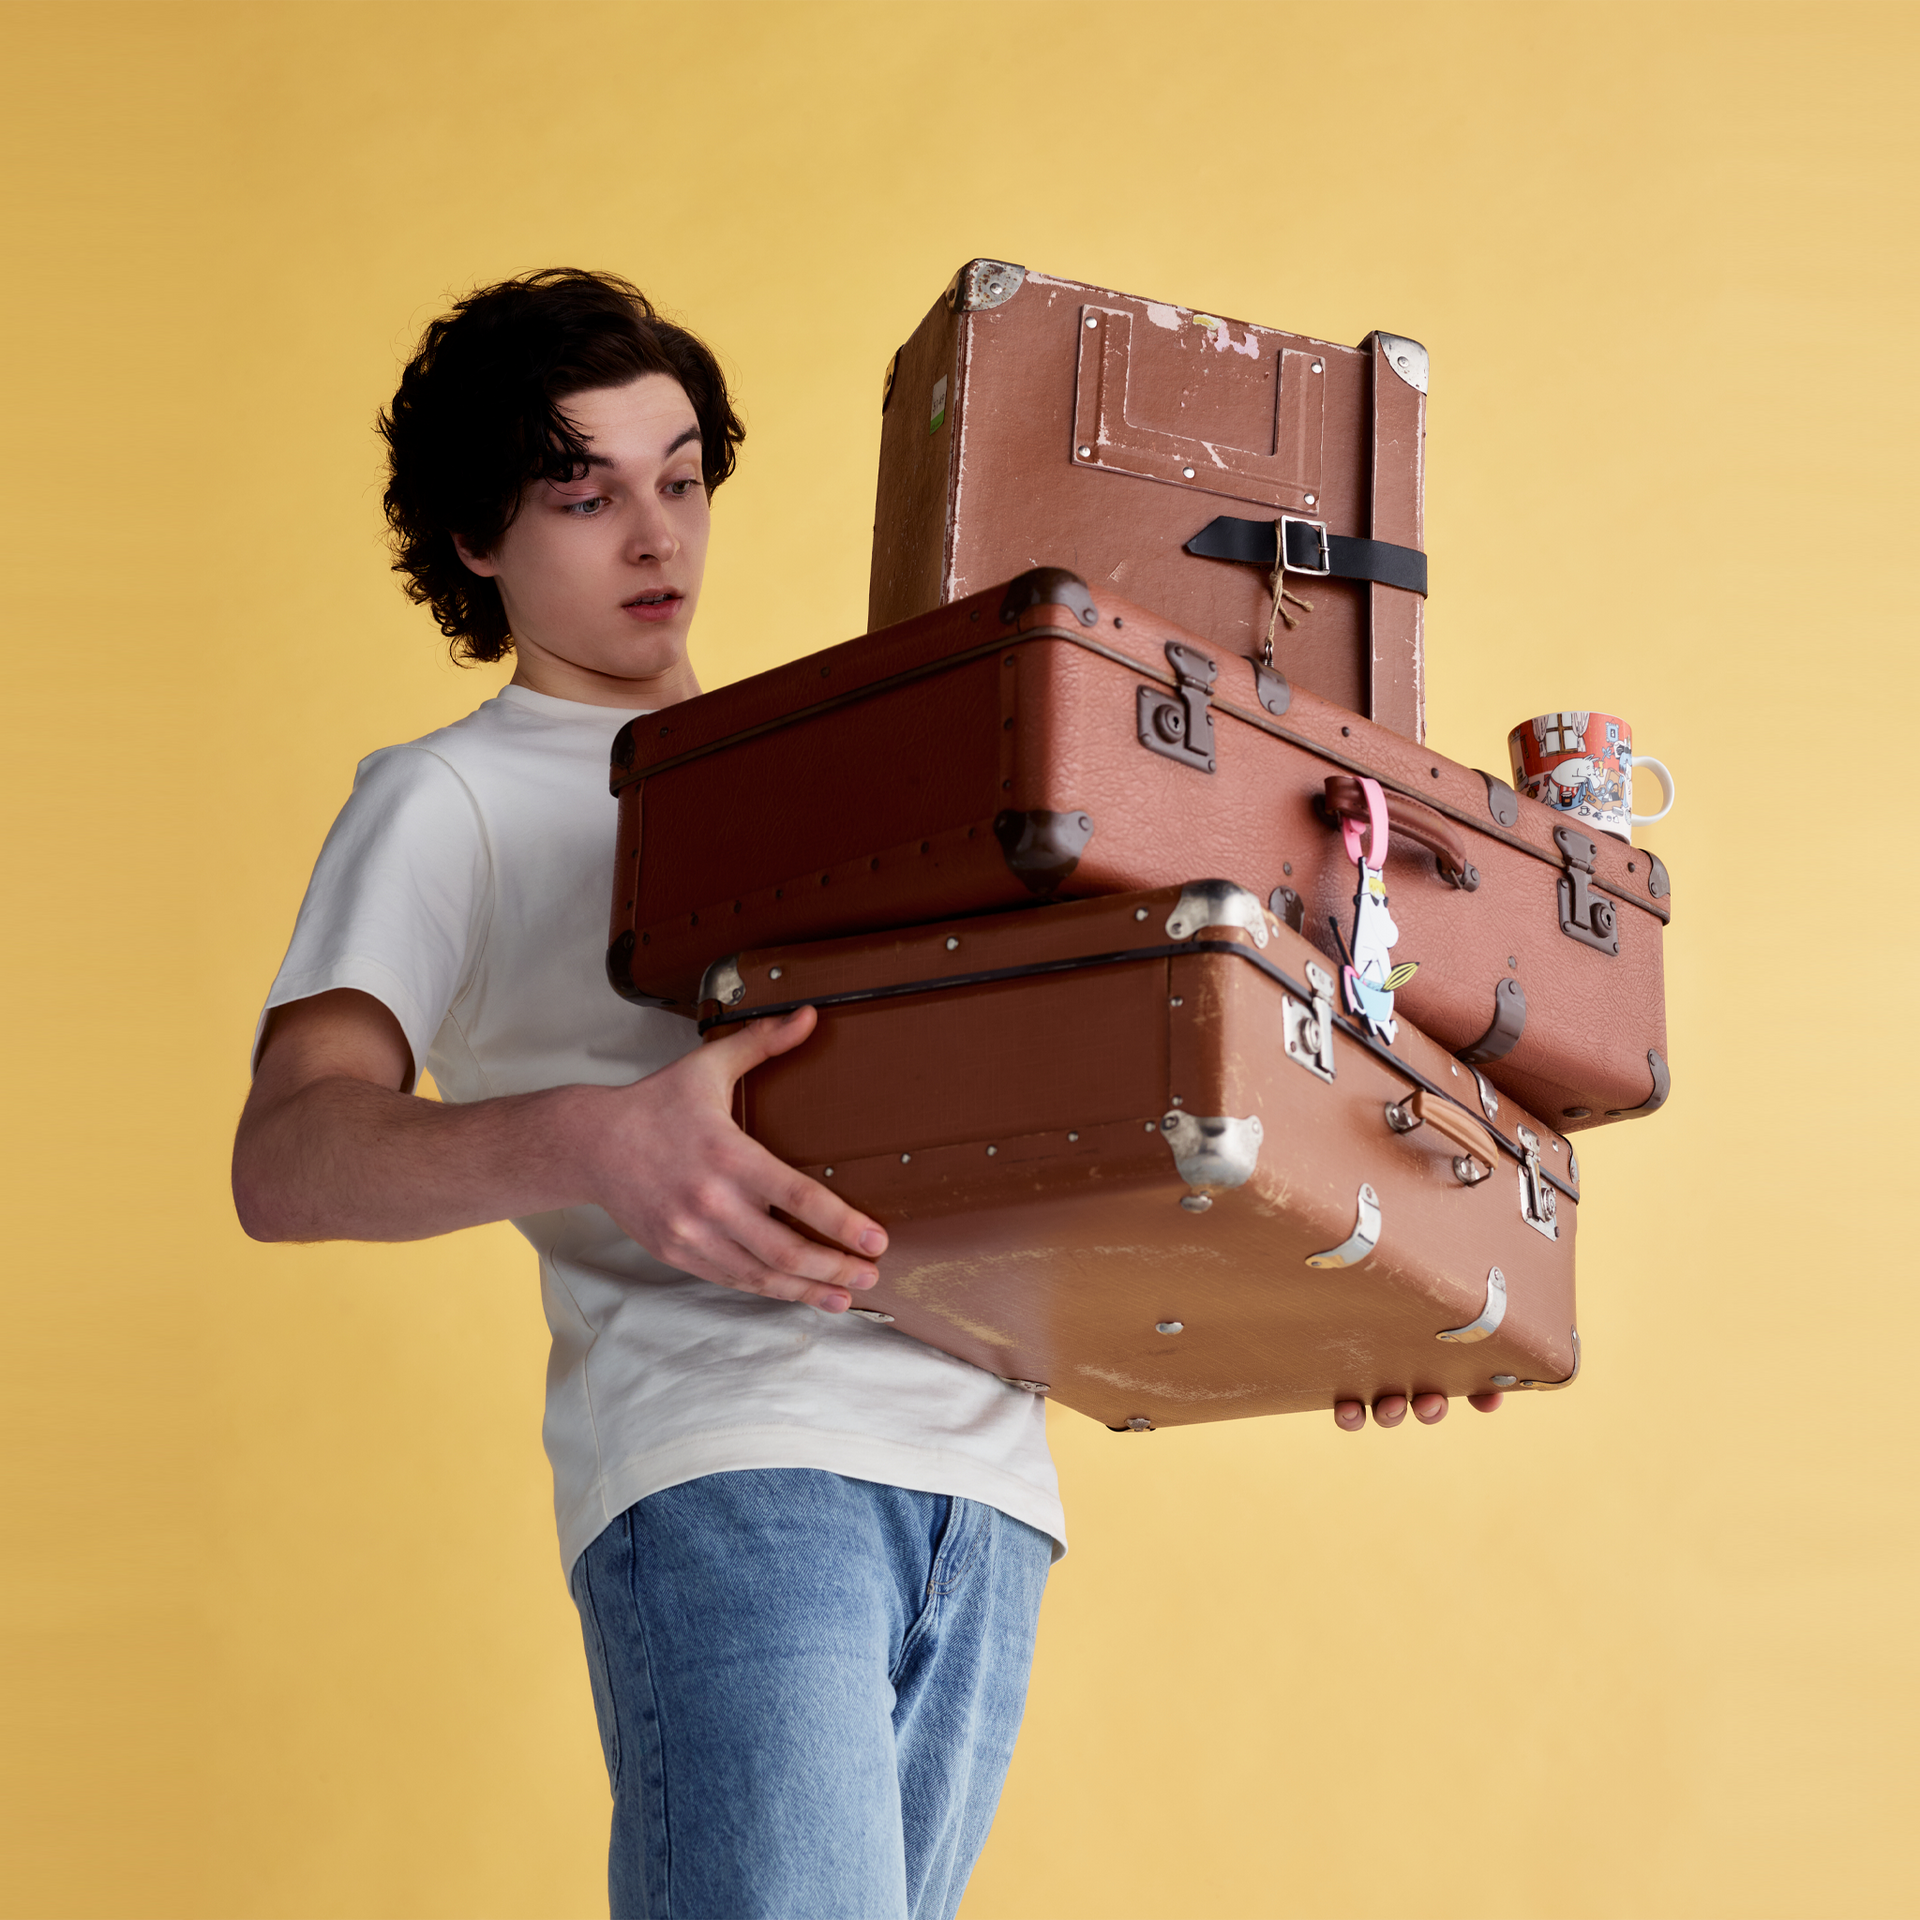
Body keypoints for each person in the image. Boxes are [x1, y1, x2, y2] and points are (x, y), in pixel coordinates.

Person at [231, 267, 1495, 1920]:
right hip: (732, 1461)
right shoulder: (443, 799)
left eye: (681, 479)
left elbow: (1084, 1088)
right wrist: (595, 1142)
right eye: (582, 492)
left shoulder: (840, 768)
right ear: (478, 538)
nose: (653, 538)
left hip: (987, 1485)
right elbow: (290, 1157)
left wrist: (1338, 1291)